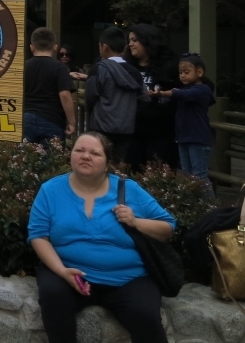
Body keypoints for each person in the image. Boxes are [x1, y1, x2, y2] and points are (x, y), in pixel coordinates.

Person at [28, 131, 175, 343]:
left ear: (107, 163)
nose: (85, 156)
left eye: (95, 153)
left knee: (145, 316)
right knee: (53, 297)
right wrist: (62, 271)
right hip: (70, 272)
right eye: (79, 150)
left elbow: (168, 227)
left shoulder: (128, 189)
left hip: (128, 278)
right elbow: (38, 235)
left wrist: (136, 222)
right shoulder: (50, 190)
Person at [85, 27, 147, 164]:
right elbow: (144, 98)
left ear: (104, 47)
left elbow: (90, 97)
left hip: (102, 127)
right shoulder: (134, 72)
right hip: (126, 128)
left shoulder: (99, 68)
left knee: (99, 164)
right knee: (118, 166)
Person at [157, 53, 215, 197]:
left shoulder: (203, 90)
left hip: (198, 139)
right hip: (183, 138)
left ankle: (211, 208)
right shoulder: (182, 90)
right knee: (187, 177)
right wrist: (160, 96)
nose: (182, 75)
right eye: (180, 72)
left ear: (199, 72)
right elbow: (171, 99)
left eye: (186, 72)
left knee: (200, 177)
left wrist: (164, 93)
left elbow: (181, 95)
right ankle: (194, 209)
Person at [125, 24, 179, 170]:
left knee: (159, 177)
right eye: (129, 40)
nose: (130, 44)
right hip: (133, 133)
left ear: (147, 40)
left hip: (162, 134)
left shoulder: (171, 66)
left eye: (135, 40)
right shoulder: (127, 67)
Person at [23, 27, 76, 145]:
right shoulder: (59, 67)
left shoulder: (24, 66)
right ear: (55, 47)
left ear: (31, 47)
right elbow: (65, 95)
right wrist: (71, 122)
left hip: (26, 118)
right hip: (52, 119)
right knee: (50, 160)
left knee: (25, 159)